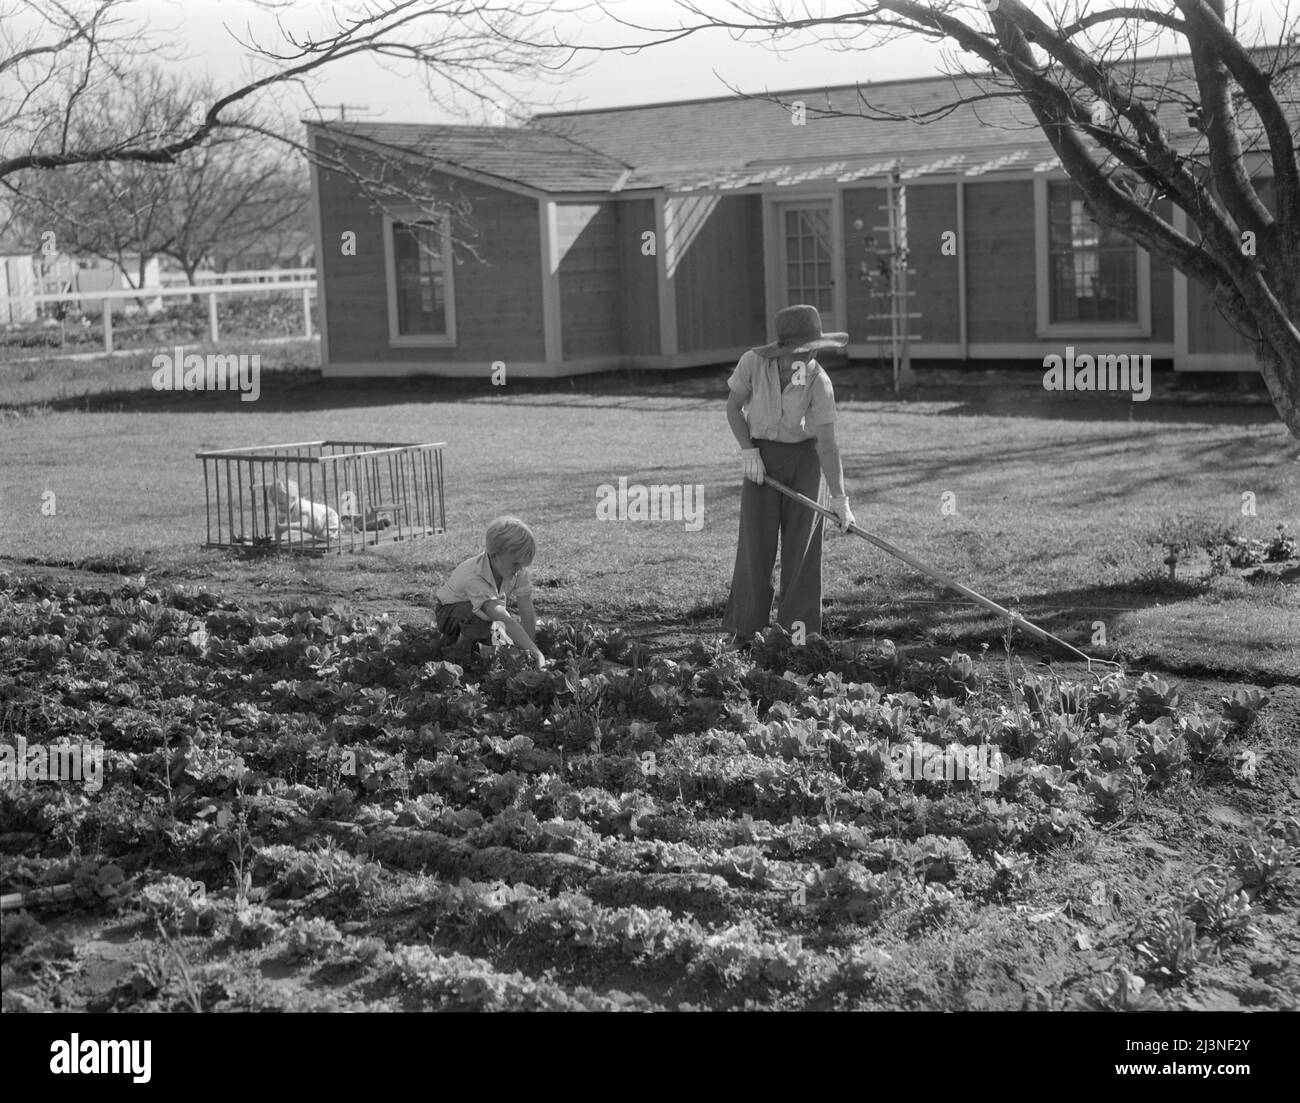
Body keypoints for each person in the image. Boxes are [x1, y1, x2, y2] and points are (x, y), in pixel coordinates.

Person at [722, 304, 856, 645]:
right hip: (761, 459)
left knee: (802, 548)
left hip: (805, 461)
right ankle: (744, 633)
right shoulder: (752, 363)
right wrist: (747, 449)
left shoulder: (819, 382)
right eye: (798, 351)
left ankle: (798, 637)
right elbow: (733, 407)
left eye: (810, 351)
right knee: (755, 544)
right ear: (781, 351)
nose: (805, 357)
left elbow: (826, 444)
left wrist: (840, 498)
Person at [434, 516, 545, 665]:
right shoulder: (474, 577)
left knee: (504, 641)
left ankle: (487, 646)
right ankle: (459, 651)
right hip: (449, 613)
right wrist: (536, 652)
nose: (519, 569)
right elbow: (502, 618)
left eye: (523, 564)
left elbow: (526, 611)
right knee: (484, 620)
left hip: (485, 613)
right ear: (494, 555)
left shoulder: (517, 570)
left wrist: (530, 650)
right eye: (515, 563)